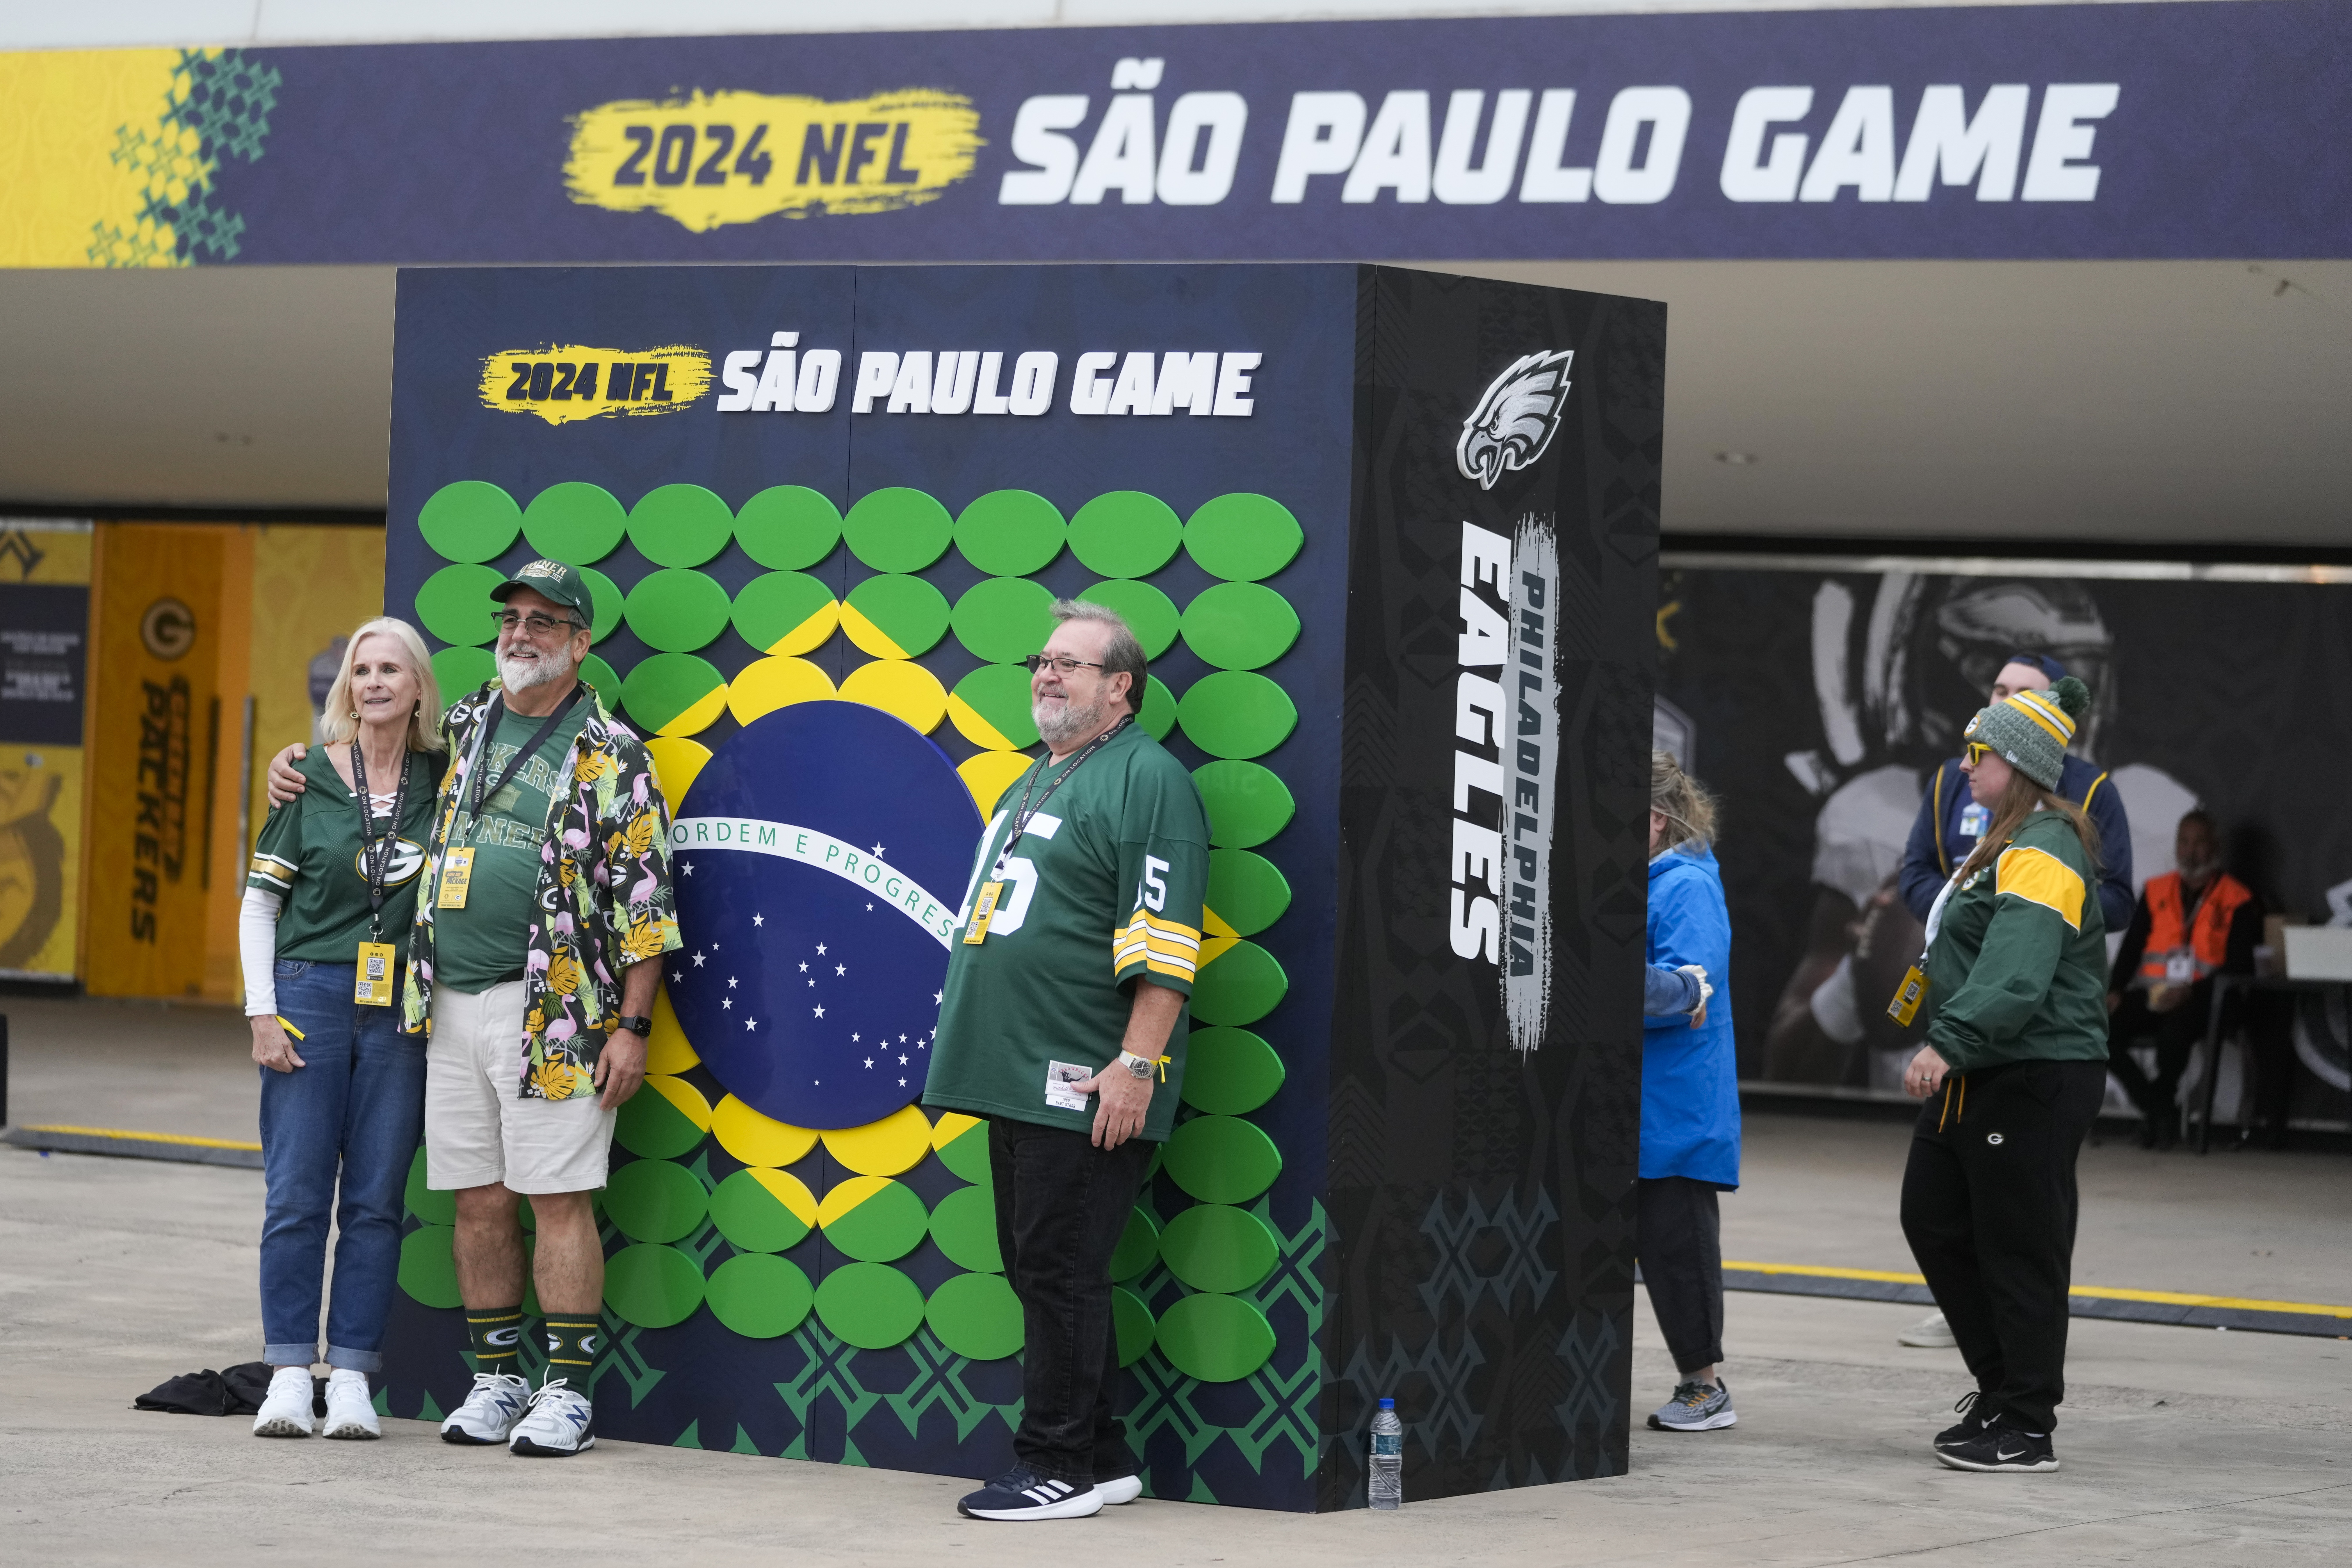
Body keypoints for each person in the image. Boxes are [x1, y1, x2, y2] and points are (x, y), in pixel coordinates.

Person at [267, 558, 678, 1457]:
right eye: (511, 617)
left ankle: (566, 1394)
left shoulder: (612, 749)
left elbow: (645, 904)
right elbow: (367, 768)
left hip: (559, 1014)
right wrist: (295, 762)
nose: (520, 633)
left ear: (580, 642)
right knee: (479, 1201)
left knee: (559, 1199)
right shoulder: (462, 723)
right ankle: (497, 1380)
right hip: (444, 1004)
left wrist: (633, 1026)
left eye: (544, 621)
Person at [923, 600, 1209, 1521]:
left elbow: (1166, 947)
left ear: (1120, 687)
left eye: (1071, 664)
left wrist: (1136, 1068)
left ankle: (1054, 1465)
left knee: (1057, 1270)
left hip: (1081, 1080)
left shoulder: (1147, 779)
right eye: (1041, 659)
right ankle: (1104, 1455)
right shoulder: (1036, 777)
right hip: (1017, 1078)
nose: (1046, 674)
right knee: (1044, 1267)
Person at [1898, 677, 2109, 1474]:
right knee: (1933, 1219)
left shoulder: (2045, 848)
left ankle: (2026, 1423)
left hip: (2028, 1073)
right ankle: (1997, 1389)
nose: (1963, 765)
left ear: (2013, 764)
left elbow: (2017, 970)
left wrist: (1947, 1040)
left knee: (2019, 1248)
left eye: (1975, 753)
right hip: (1984, 1071)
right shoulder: (2001, 844)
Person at [242, 617, 444, 1439]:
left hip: (400, 1006)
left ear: (418, 686)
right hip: (308, 991)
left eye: (391, 669)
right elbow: (261, 903)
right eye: (361, 670)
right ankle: (290, 1371)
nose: (374, 682)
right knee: (296, 1194)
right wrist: (261, 1013)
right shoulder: (306, 779)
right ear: (345, 687)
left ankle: (353, 1375)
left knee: (373, 1202)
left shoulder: (448, 781)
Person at [1639, 751, 1741, 1434]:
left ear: (1652, 821)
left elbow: (1687, 984)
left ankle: (1704, 1387)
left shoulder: (1686, 886)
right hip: (1628, 1106)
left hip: (1672, 1110)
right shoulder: (1643, 878)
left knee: (1678, 1251)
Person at [2106, 809, 2262, 1148]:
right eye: (2184, 842)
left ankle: (2157, 1117)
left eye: (2199, 843)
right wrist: (2115, 989)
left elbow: (2239, 966)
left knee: (2174, 1032)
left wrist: (2190, 992)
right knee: (2099, 1032)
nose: (2191, 851)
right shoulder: (2157, 890)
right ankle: (2158, 1107)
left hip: (2208, 999)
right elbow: (2132, 948)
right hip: (2155, 993)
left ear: (2215, 846)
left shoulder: (2236, 898)